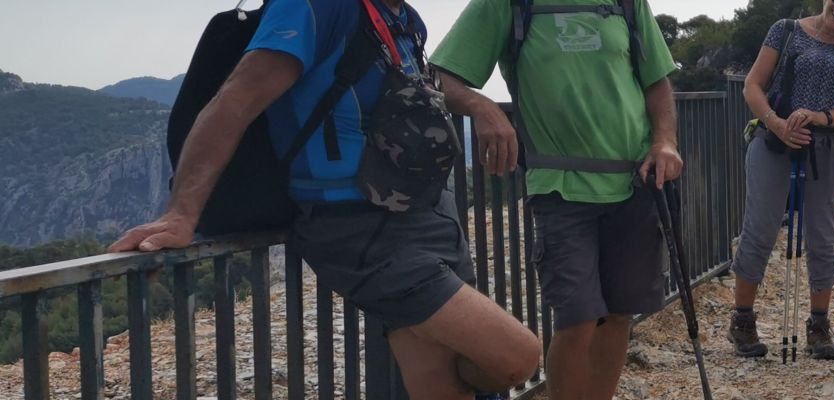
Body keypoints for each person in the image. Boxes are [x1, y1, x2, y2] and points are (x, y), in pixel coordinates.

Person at [109, 0, 543, 398]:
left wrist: (481, 107)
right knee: (517, 356)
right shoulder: (316, 5)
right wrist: (182, 213)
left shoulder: (405, 20)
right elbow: (236, 100)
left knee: (439, 379)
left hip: (424, 214)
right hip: (358, 229)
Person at [429, 0, 682, 398]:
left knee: (619, 315)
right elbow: (441, 76)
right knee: (577, 319)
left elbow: (656, 83)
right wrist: (482, 106)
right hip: (558, 185)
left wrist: (665, 142)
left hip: (636, 181)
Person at [728, 0, 834, 360]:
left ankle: (819, 324)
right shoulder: (785, 29)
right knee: (760, 229)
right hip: (772, 143)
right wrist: (777, 124)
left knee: (823, 235)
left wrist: (820, 117)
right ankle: (742, 320)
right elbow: (753, 85)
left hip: (826, 147)